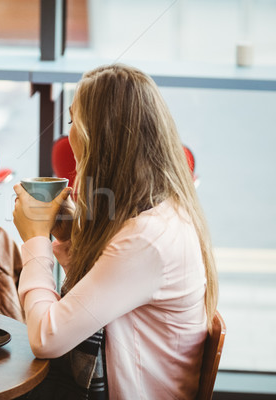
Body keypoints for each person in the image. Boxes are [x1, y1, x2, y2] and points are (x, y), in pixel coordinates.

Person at [13, 64, 218, 399]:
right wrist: (68, 234)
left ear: (100, 139)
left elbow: (45, 338)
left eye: (72, 122)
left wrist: (36, 240)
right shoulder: (158, 212)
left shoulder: (148, 240)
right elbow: (107, 287)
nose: (69, 136)